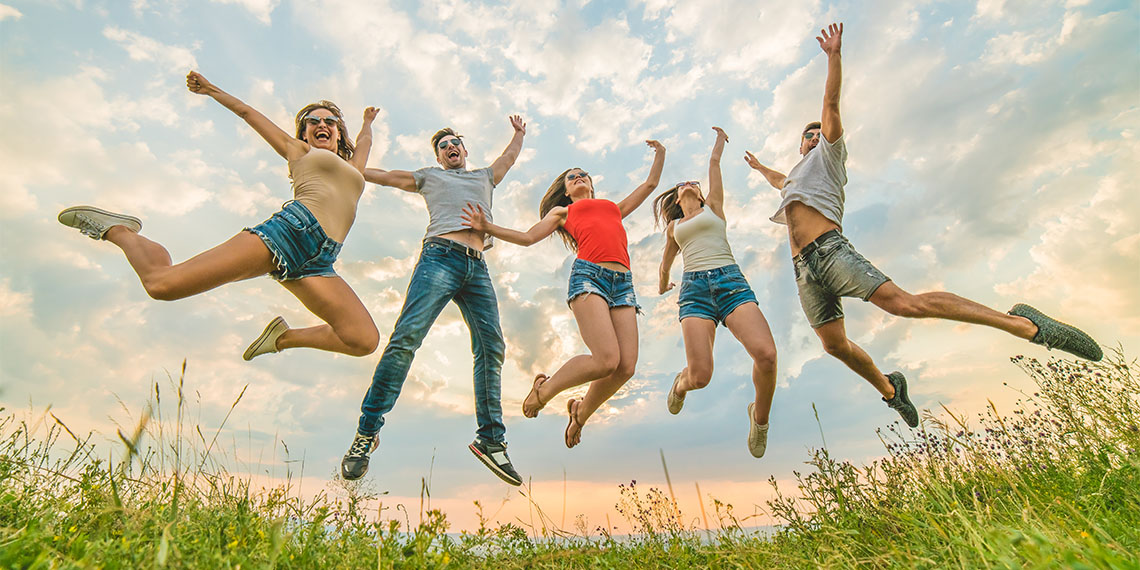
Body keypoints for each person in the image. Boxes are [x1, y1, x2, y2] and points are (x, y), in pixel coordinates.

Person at [743, 23, 1102, 428]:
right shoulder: (794, 178)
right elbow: (778, 179)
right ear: (799, 146)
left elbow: (831, 103)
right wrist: (758, 167)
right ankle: (891, 389)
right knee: (834, 345)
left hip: (829, 252)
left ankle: (1026, 326)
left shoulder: (829, 155)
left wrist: (834, 57)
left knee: (904, 304)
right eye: (807, 136)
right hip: (803, 270)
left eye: (816, 133)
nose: (813, 136)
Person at [58, 71, 380, 363]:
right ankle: (119, 230)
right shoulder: (299, 151)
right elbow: (248, 113)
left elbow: (364, 141)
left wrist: (367, 121)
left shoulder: (355, 168)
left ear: (339, 132)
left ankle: (282, 338)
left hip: (320, 260)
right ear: (305, 133)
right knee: (161, 285)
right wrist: (211, 90)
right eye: (313, 121)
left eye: (330, 121)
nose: (322, 124)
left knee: (362, 339)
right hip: (289, 234)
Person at [341, 117, 528, 486]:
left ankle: (491, 440)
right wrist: (348, 160)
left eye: (454, 142)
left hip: (478, 267)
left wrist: (519, 134)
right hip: (440, 257)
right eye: (442, 146)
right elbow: (385, 176)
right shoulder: (429, 177)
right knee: (406, 338)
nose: (449, 147)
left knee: (492, 348)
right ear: (439, 158)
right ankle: (366, 432)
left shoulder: (485, 177)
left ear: (464, 149)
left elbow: (507, 159)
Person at [462, 140, 667, 449]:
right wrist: (487, 226)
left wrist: (660, 153)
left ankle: (580, 412)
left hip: (624, 284)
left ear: (592, 186)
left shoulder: (613, 208)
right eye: (572, 177)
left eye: (583, 174)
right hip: (589, 278)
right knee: (606, 360)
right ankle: (544, 391)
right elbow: (528, 237)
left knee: (626, 367)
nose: (578, 177)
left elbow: (650, 184)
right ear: (567, 191)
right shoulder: (563, 211)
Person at [655, 127, 777, 458]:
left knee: (766, 355)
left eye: (693, 183)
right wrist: (662, 285)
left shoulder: (714, 208)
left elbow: (713, 164)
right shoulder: (674, 227)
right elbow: (665, 263)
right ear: (677, 198)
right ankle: (680, 383)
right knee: (700, 377)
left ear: (700, 193)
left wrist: (721, 140)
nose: (688, 183)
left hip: (730, 283)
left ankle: (760, 419)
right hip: (694, 292)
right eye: (682, 184)